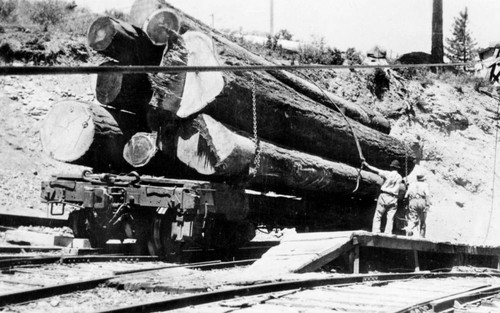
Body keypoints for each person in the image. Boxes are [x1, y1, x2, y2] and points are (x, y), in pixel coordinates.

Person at [363, 160, 403, 234]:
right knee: (390, 217)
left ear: (391, 167)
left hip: (384, 195)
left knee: (378, 214)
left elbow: (376, 170)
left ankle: (376, 231)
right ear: (398, 168)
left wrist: (367, 165)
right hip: (393, 197)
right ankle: (388, 232)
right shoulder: (400, 177)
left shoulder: (387, 173)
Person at [404, 173, 430, 238]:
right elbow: (427, 195)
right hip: (422, 201)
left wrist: (407, 204)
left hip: (413, 201)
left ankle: (409, 233)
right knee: (423, 220)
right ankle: (422, 236)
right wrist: (427, 205)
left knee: (412, 219)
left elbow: (406, 195)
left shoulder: (412, 184)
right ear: (423, 179)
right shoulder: (425, 185)